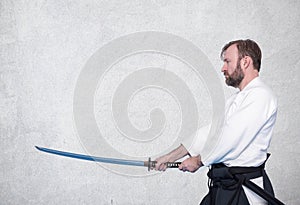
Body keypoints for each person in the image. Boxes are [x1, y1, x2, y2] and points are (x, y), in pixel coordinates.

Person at [154, 39, 284, 205]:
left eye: (228, 61)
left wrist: (198, 160)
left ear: (245, 61)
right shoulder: (238, 99)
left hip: (243, 192)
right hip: (225, 188)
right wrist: (170, 157)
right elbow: (209, 133)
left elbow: (231, 137)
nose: (223, 68)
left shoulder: (261, 96)